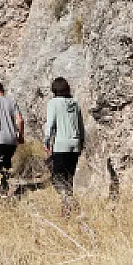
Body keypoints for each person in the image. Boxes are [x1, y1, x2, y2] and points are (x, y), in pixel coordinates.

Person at [44, 77, 86, 214]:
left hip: (61, 144)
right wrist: (81, 143)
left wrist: (46, 141)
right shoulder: (75, 104)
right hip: (75, 144)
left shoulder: (53, 103)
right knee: (69, 177)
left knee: (57, 177)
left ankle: (67, 202)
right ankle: (68, 206)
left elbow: (50, 124)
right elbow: (81, 126)